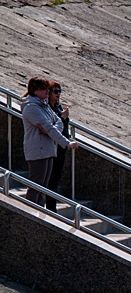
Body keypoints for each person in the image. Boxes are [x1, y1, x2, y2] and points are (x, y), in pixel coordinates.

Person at [21, 76, 79, 206]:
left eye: (48, 89)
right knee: (36, 186)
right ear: (35, 91)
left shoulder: (45, 105)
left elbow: (58, 123)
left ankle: (40, 216)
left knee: (43, 188)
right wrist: (66, 142)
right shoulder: (31, 107)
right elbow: (49, 126)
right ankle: (30, 215)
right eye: (43, 89)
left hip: (48, 150)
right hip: (37, 151)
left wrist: (50, 129)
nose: (47, 91)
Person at [45, 81, 70, 212]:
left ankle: (51, 208)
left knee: (55, 180)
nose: (58, 94)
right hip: (53, 149)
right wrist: (62, 118)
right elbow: (52, 129)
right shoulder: (48, 109)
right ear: (48, 93)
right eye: (55, 91)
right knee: (50, 180)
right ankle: (50, 208)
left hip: (62, 149)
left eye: (59, 91)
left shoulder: (58, 107)